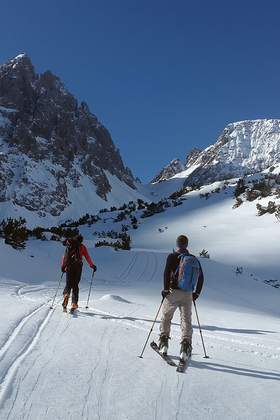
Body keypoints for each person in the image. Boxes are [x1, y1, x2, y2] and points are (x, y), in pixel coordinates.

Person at [159, 235, 204, 358]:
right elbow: (201, 278)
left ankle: (163, 343)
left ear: (177, 244)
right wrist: (196, 294)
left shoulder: (172, 256)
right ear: (187, 245)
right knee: (186, 320)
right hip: (188, 294)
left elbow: (166, 273)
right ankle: (185, 347)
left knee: (167, 317)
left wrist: (165, 289)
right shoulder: (193, 258)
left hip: (173, 292)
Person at [61, 234, 96, 311]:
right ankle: (74, 303)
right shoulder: (82, 247)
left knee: (68, 283)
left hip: (69, 266)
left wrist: (63, 266)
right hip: (78, 266)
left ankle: (66, 295)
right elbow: (87, 257)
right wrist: (92, 265)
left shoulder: (69, 245)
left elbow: (65, 257)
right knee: (75, 285)